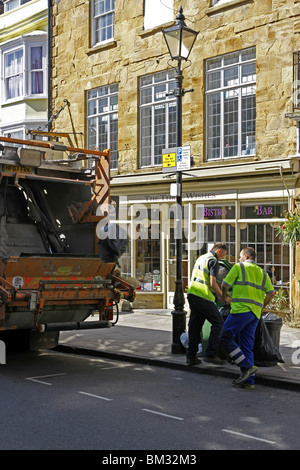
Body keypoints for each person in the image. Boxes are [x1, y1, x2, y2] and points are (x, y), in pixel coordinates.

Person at [219, 247, 275, 389]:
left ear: (245, 256)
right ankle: (249, 381)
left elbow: (224, 284)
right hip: (255, 314)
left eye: (239, 256)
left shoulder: (239, 267)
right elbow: (271, 293)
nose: (238, 259)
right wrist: (261, 306)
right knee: (247, 346)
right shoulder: (263, 273)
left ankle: (246, 367)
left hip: (240, 310)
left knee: (225, 337)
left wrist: (224, 295)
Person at [186, 243, 230, 366]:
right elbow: (213, 283)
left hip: (192, 294)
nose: (223, 257)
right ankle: (210, 354)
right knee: (218, 323)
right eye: (224, 254)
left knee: (195, 326)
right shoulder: (213, 261)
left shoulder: (202, 257)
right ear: (219, 251)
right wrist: (223, 296)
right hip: (204, 297)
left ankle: (191, 356)